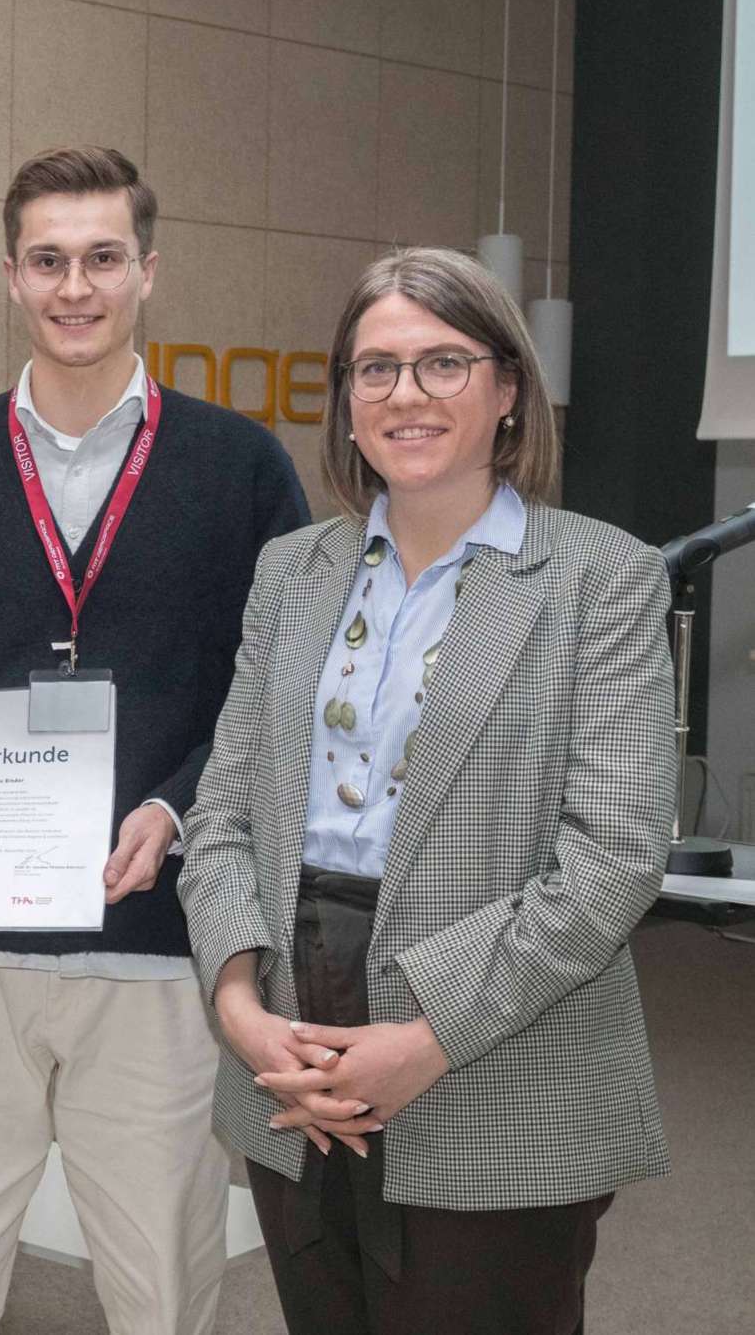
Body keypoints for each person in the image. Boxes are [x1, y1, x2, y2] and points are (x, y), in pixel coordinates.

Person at [0, 145, 310, 1334]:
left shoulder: (239, 466)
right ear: (10, 277)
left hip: (152, 950)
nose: (75, 286)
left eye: (102, 257)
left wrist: (178, 806)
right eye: (47, 261)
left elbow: (274, 691)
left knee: (161, 1293)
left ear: (148, 271)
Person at [178, 246, 674, 1334]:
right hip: (290, 1037)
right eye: (376, 369)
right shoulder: (290, 572)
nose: (406, 394)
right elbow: (221, 814)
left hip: (497, 1048)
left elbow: (614, 857)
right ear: (346, 403)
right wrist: (240, 1010)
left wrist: (428, 1038)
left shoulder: (602, 577)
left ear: (508, 390)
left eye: (444, 363)